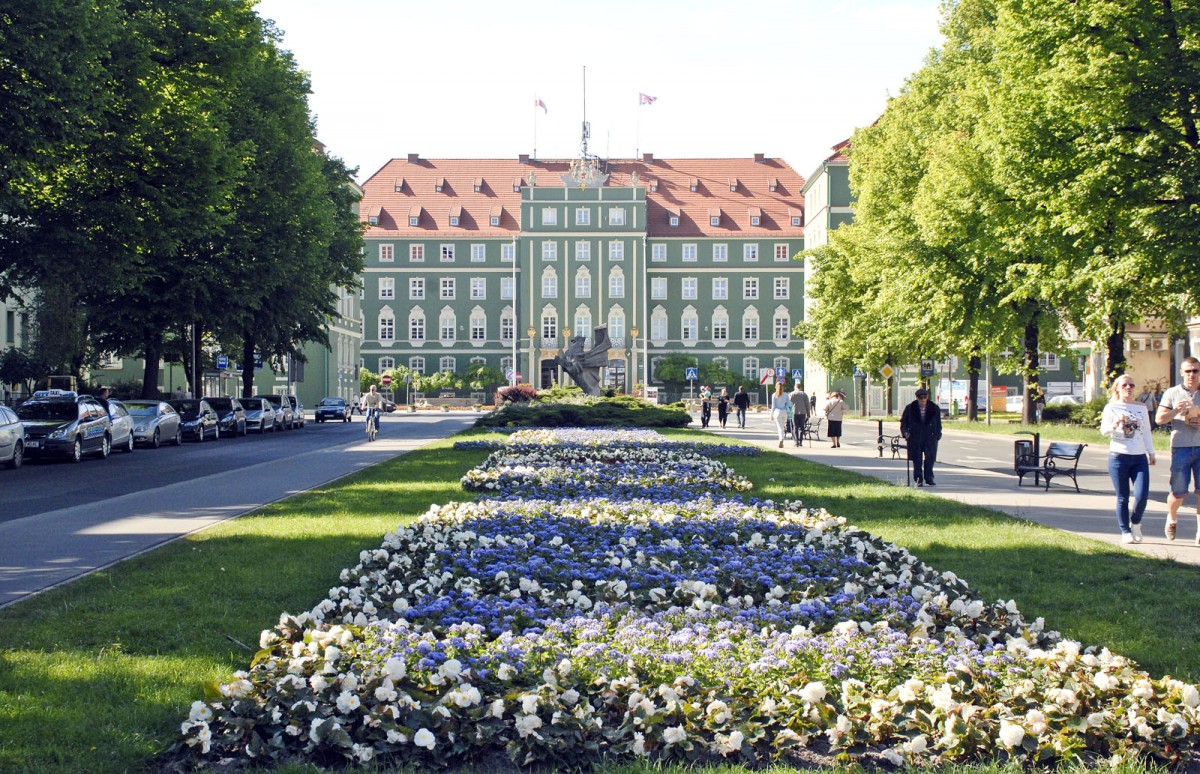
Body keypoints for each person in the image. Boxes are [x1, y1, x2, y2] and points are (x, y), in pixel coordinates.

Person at [1101, 374, 1156, 544]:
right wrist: (1114, 425)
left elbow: (1146, 432)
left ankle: (1136, 522)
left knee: (1142, 495)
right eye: (1124, 385)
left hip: (1138, 457)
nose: (1128, 388)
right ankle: (1125, 531)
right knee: (1123, 496)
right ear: (1117, 388)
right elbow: (1103, 431)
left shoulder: (1141, 408)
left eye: (1131, 385)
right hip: (1118, 456)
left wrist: (1151, 452)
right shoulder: (1111, 408)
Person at [1155, 356, 1200, 543]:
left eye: (1195, 371)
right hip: (1180, 446)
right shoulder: (1172, 393)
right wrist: (1176, 412)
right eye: (1188, 371)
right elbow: (1159, 419)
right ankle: (1172, 518)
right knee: (1178, 492)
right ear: (1181, 373)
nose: (1191, 374)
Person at [900, 387, 943, 486]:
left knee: (930, 459)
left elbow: (938, 423)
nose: (923, 400)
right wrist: (905, 432)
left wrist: (938, 434)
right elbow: (903, 422)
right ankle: (919, 479)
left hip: (930, 437)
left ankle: (929, 478)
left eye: (925, 397)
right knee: (917, 459)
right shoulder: (910, 408)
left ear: (927, 397)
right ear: (917, 397)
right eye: (920, 397)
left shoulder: (934, 408)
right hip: (915, 437)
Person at [769, 381, 791, 448]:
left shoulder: (774, 395)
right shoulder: (786, 394)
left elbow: (773, 406)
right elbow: (789, 404)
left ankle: (781, 439)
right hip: (784, 412)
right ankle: (781, 440)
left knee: (780, 428)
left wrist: (771, 415)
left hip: (777, 412)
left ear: (776, 387)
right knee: (782, 427)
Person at [790, 383, 810, 447]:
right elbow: (807, 404)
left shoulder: (792, 394)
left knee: (795, 426)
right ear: (800, 387)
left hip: (794, 412)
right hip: (803, 412)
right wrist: (808, 413)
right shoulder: (804, 394)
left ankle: (796, 441)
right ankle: (801, 441)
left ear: (795, 387)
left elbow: (789, 404)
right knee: (802, 427)